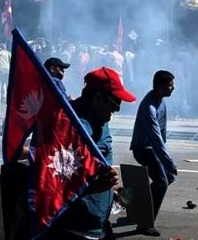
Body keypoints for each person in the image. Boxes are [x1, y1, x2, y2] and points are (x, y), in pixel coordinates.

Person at [49, 66, 136, 239]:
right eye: (115, 102)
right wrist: (95, 187)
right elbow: (55, 184)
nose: (118, 109)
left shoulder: (102, 117)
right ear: (98, 97)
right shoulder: (70, 127)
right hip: (75, 227)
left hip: (100, 221)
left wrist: (112, 189)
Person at [129, 70, 176, 237]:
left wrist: (166, 160)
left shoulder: (161, 102)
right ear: (160, 87)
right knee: (161, 182)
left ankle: (134, 202)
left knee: (168, 177)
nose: (173, 88)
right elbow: (155, 138)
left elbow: (162, 132)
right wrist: (168, 161)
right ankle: (145, 224)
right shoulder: (149, 107)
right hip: (143, 149)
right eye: (170, 85)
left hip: (154, 149)